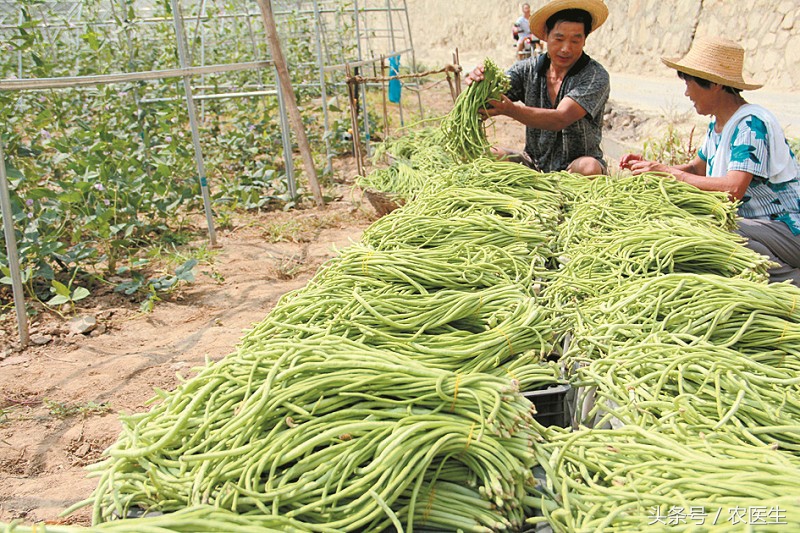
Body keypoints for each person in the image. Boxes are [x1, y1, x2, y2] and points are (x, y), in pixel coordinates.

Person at [620, 36, 800, 287]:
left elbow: (733, 189)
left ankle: (790, 283)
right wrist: (653, 169)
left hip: (786, 228)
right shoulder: (719, 123)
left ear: (714, 83)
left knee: (714, 232)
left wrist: (670, 174)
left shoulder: (750, 125)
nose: (686, 92)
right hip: (760, 227)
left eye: (689, 83)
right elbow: (696, 167)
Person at [468, 0, 610, 175]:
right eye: (559, 39)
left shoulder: (594, 75)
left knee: (589, 168)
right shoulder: (526, 69)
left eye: (575, 40)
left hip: (574, 167)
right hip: (533, 165)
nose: (566, 48)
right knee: (485, 156)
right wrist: (480, 84)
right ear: (545, 36)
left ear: (584, 40)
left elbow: (560, 119)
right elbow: (490, 98)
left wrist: (511, 110)